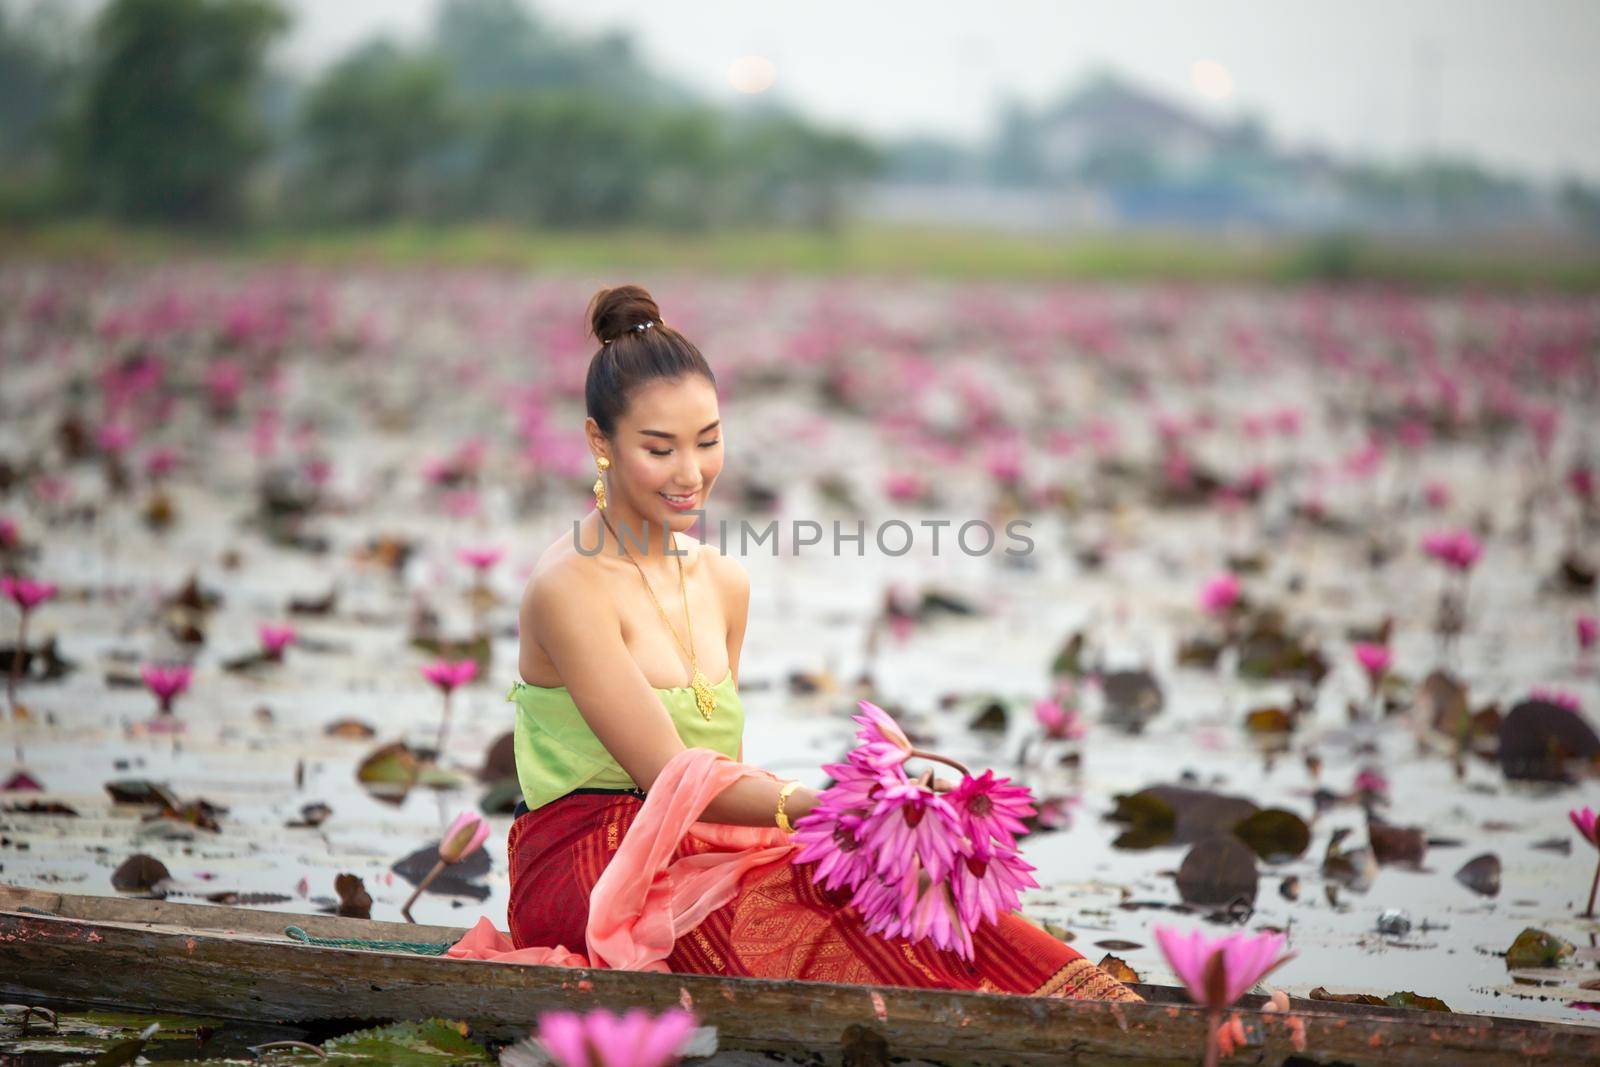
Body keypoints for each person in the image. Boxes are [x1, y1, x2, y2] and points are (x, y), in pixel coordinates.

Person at [504, 283, 1139, 1001]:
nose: (691, 473)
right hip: (586, 869)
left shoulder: (723, 581)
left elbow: (721, 783)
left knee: (896, 882)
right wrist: (834, 804)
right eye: (660, 448)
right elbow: (671, 774)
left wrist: (881, 804)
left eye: (708, 441)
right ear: (600, 442)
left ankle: (1104, 1011)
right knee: (810, 921)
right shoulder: (570, 586)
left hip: (695, 849)